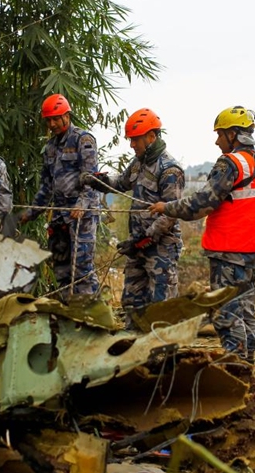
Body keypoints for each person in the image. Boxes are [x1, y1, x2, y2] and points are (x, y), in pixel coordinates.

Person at [150, 106, 255, 363]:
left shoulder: (230, 163)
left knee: (227, 314)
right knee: (245, 311)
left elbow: (203, 203)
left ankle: (236, 370)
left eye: (219, 134)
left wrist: (167, 207)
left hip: (229, 252)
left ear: (233, 134)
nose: (216, 140)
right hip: (252, 252)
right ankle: (247, 364)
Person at [81, 108, 184, 328]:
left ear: (151, 137)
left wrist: (144, 239)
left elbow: (170, 215)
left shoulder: (169, 170)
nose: (132, 145)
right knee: (132, 302)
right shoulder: (139, 164)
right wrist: (96, 180)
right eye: (130, 140)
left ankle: (165, 356)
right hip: (138, 246)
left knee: (161, 307)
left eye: (135, 139)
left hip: (161, 249)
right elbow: (121, 182)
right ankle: (133, 349)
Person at [20, 94, 100, 299]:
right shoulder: (49, 148)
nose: (52, 123)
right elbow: (46, 186)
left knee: (82, 267)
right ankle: (66, 310)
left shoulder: (84, 139)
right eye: (48, 120)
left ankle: (89, 311)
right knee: (61, 266)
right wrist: (33, 212)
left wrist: (82, 204)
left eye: (56, 118)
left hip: (81, 215)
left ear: (67, 115)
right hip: (59, 216)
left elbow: (92, 179)